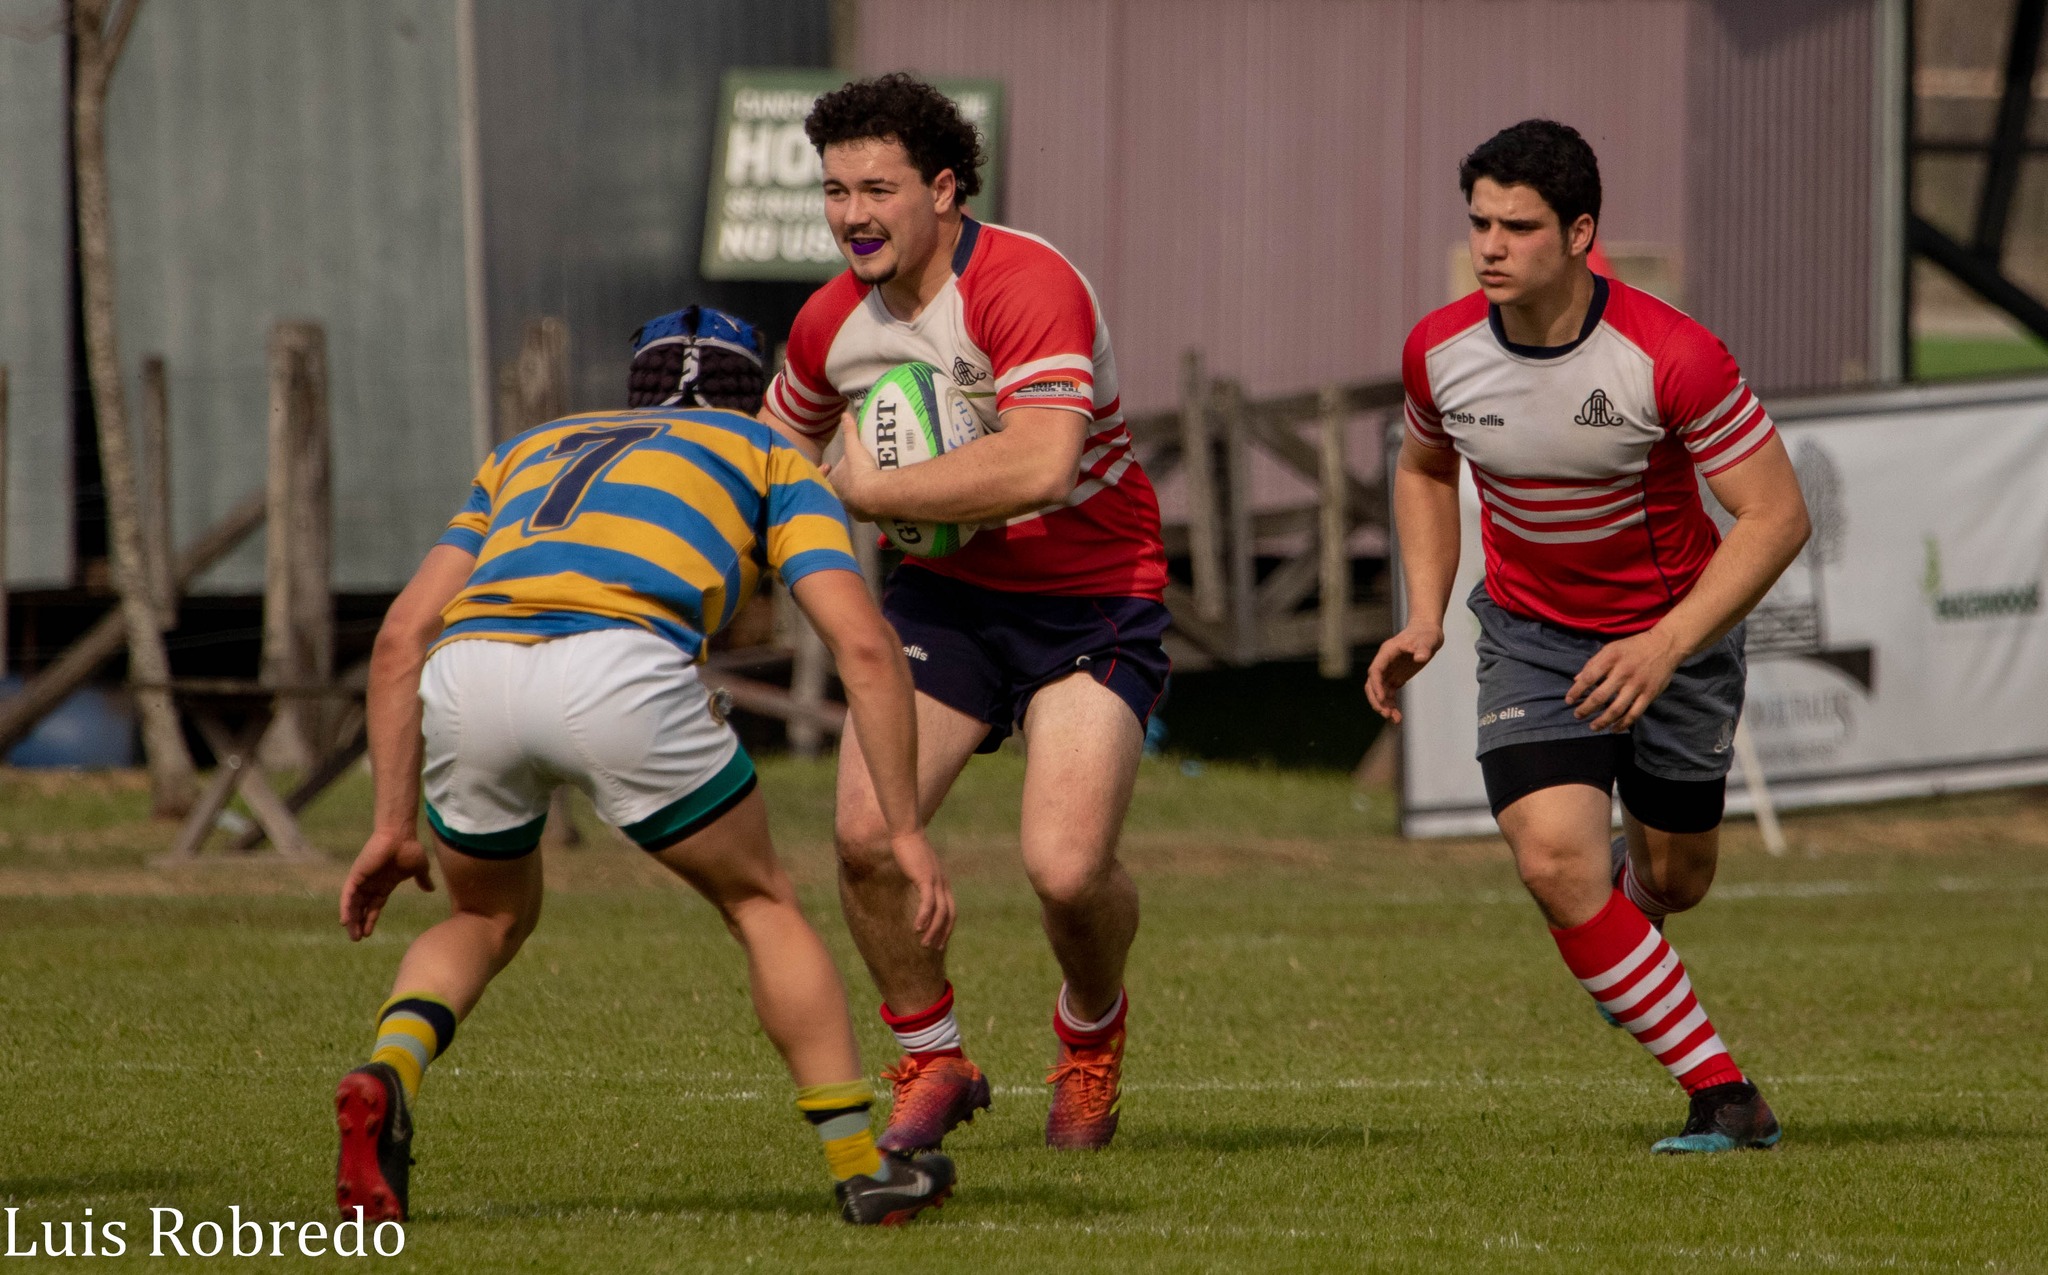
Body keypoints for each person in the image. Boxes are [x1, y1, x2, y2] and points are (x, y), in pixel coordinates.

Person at [333, 306, 958, 1225]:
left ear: (636, 392)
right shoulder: (770, 457)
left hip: (470, 670)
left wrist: (390, 827)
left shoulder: (528, 448)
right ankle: (867, 1169)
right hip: (618, 665)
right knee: (761, 902)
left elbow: (398, 639)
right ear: (760, 397)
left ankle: (387, 1070)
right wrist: (903, 828)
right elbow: (863, 649)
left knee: (486, 909)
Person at [1365, 121, 1811, 1153]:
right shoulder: (1438, 352)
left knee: (1676, 878)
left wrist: (1663, 645)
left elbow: (1777, 515)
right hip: (1528, 636)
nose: (1488, 246)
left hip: (1672, 640)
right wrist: (1427, 613)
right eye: (1477, 222)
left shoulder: (1668, 353)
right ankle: (1724, 1096)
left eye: (1516, 227)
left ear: (1577, 234)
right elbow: (1424, 471)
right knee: (1552, 861)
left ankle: (1631, 910)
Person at [758, 74, 1170, 1153]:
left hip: (1092, 596)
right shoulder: (826, 324)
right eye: (835, 189)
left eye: (877, 188)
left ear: (943, 189)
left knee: (1066, 869)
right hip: (945, 601)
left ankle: (1089, 1034)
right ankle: (933, 1057)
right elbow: (761, 465)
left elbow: (1041, 464)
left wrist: (870, 493)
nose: (851, 213)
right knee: (860, 837)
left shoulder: (1026, 283)